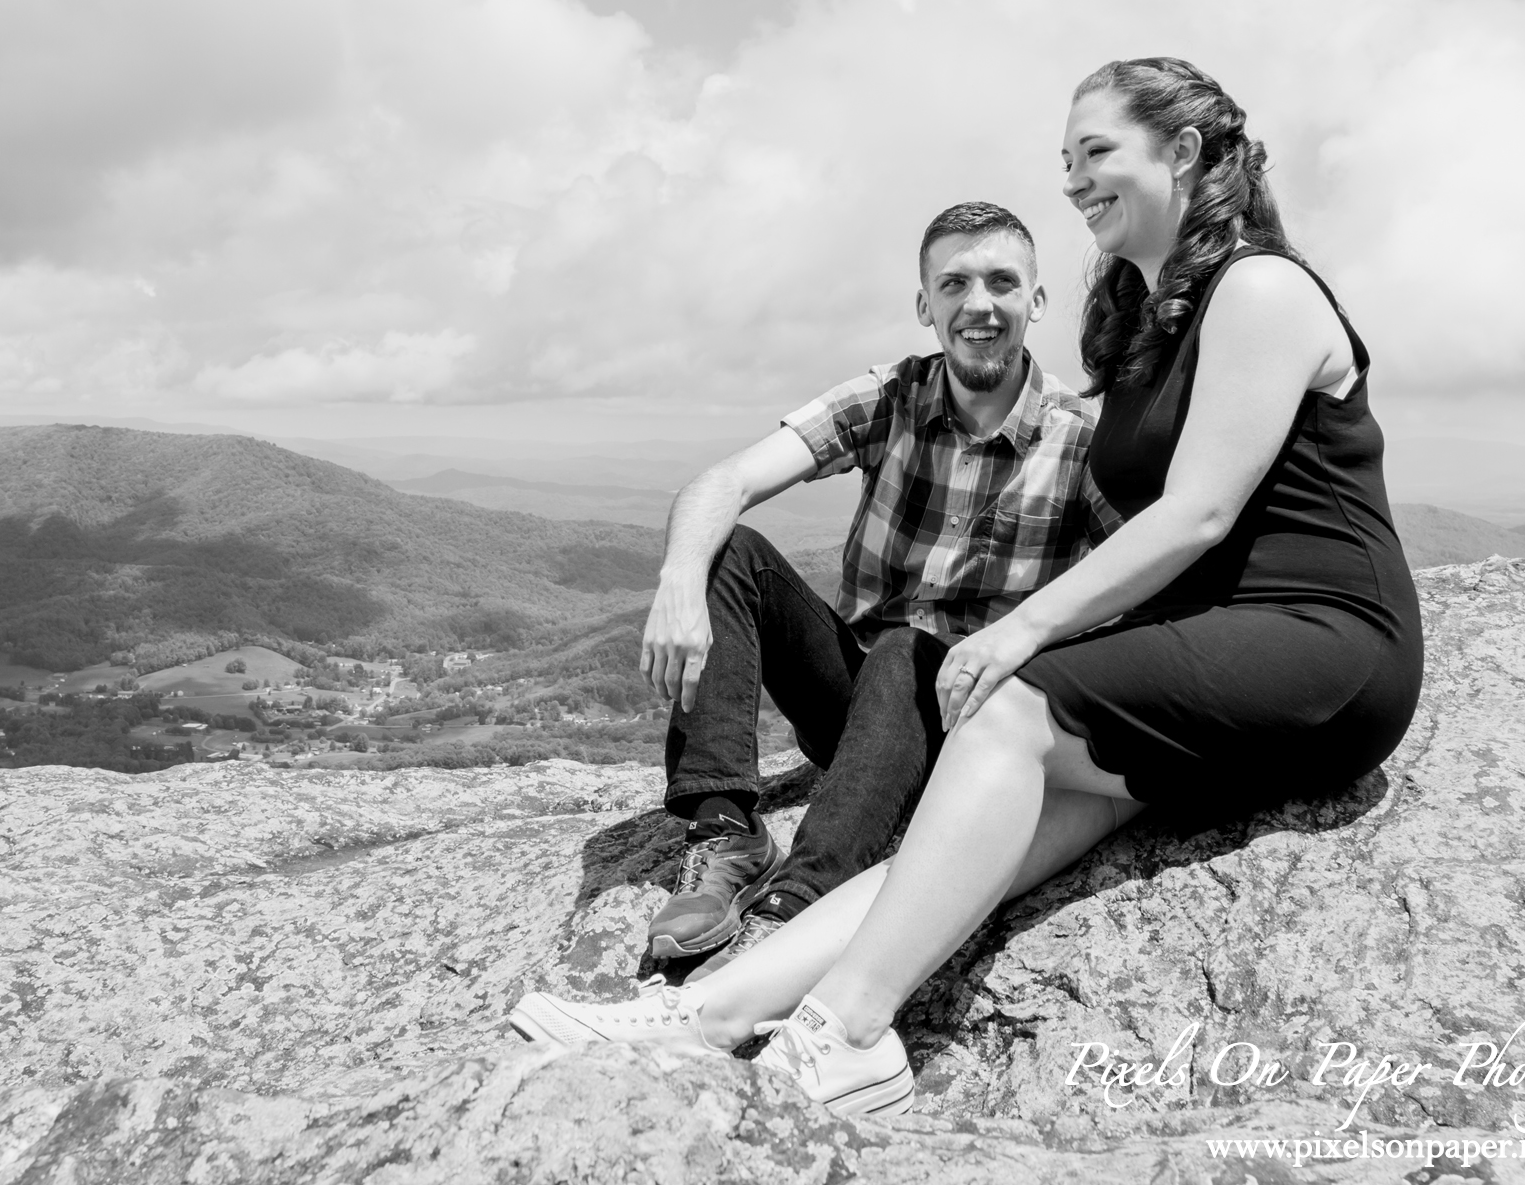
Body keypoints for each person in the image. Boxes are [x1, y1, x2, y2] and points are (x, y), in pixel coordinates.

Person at [507, 58, 1423, 1118]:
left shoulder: (1260, 287)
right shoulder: (1149, 316)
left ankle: (847, 1033)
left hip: (1322, 640)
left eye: (1096, 153)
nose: (1075, 182)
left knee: (1007, 704)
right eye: (1064, 162)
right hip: (1220, 660)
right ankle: (711, 1009)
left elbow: (1198, 514)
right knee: (1008, 820)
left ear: (1180, 152)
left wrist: (1018, 636)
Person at [619, 201, 1117, 979]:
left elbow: (1139, 569)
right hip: (859, 711)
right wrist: (680, 579)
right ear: (926, 306)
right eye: (954, 283)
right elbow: (726, 481)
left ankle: (798, 901)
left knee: (908, 646)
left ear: (1037, 301)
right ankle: (726, 832)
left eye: (1001, 281)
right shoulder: (891, 396)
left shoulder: (1083, 437)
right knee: (730, 551)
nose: (978, 303)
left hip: (973, 723)